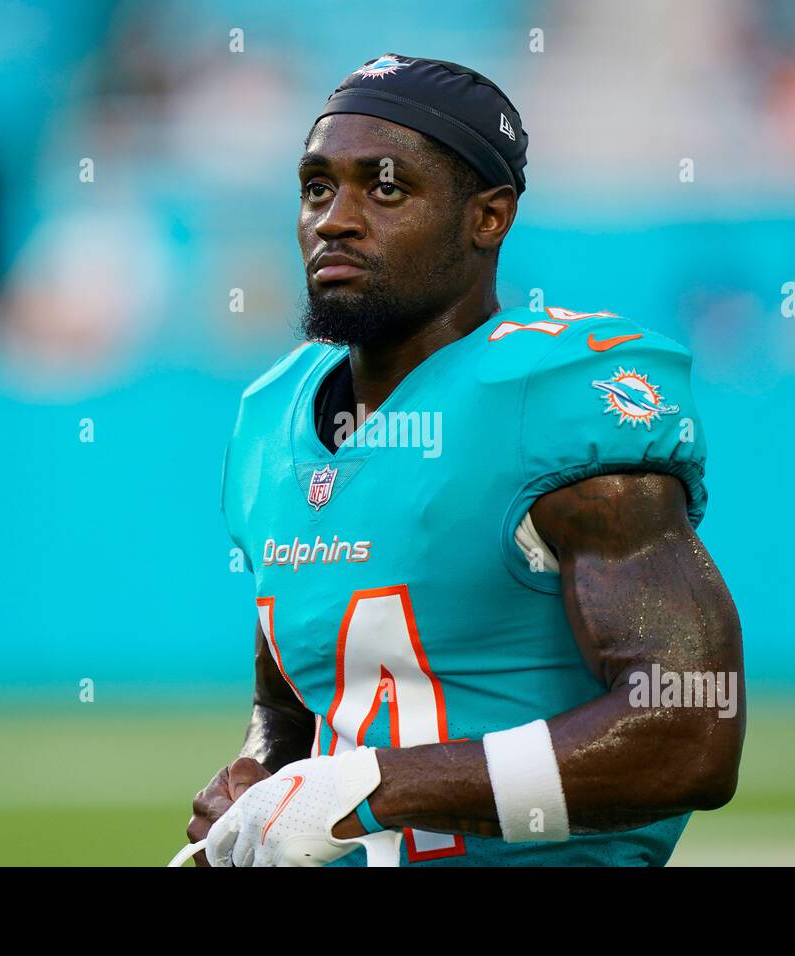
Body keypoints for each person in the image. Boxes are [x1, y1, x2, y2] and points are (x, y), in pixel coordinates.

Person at [185, 53, 744, 867]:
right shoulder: (271, 419)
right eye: (316, 188)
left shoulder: (546, 400)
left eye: (384, 188)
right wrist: (258, 777)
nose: (333, 220)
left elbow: (691, 731)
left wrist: (376, 786)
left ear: (488, 217)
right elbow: (295, 701)